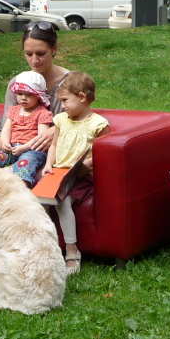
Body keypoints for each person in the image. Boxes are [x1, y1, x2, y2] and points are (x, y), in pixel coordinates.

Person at [42, 72, 109, 275]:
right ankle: (46, 249)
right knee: (38, 202)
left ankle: (72, 251)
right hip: (58, 173)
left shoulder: (98, 124)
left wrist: (87, 163)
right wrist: (48, 164)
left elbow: (103, 153)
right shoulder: (61, 120)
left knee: (63, 202)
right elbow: (54, 144)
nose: (62, 106)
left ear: (81, 97)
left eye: (65, 100)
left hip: (81, 176)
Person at [0, 21, 71, 169]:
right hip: (16, 151)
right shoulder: (18, 83)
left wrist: (57, 129)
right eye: (28, 54)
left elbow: (83, 122)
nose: (34, 61)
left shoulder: (71, 82)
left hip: (57, 155)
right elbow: (6, 126)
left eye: (41, 54)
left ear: (54, 49)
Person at [0, 71, 54, 187]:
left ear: (38, 95)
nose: (23, 98)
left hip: (33, 150)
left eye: (29, 94)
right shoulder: (13, 110)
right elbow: (6, 130)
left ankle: (22, 186)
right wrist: (5, 142)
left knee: (26, 163)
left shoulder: (42, 113)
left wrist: (24, 148)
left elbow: (40, 138)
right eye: (20, 93)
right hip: (12, 147)